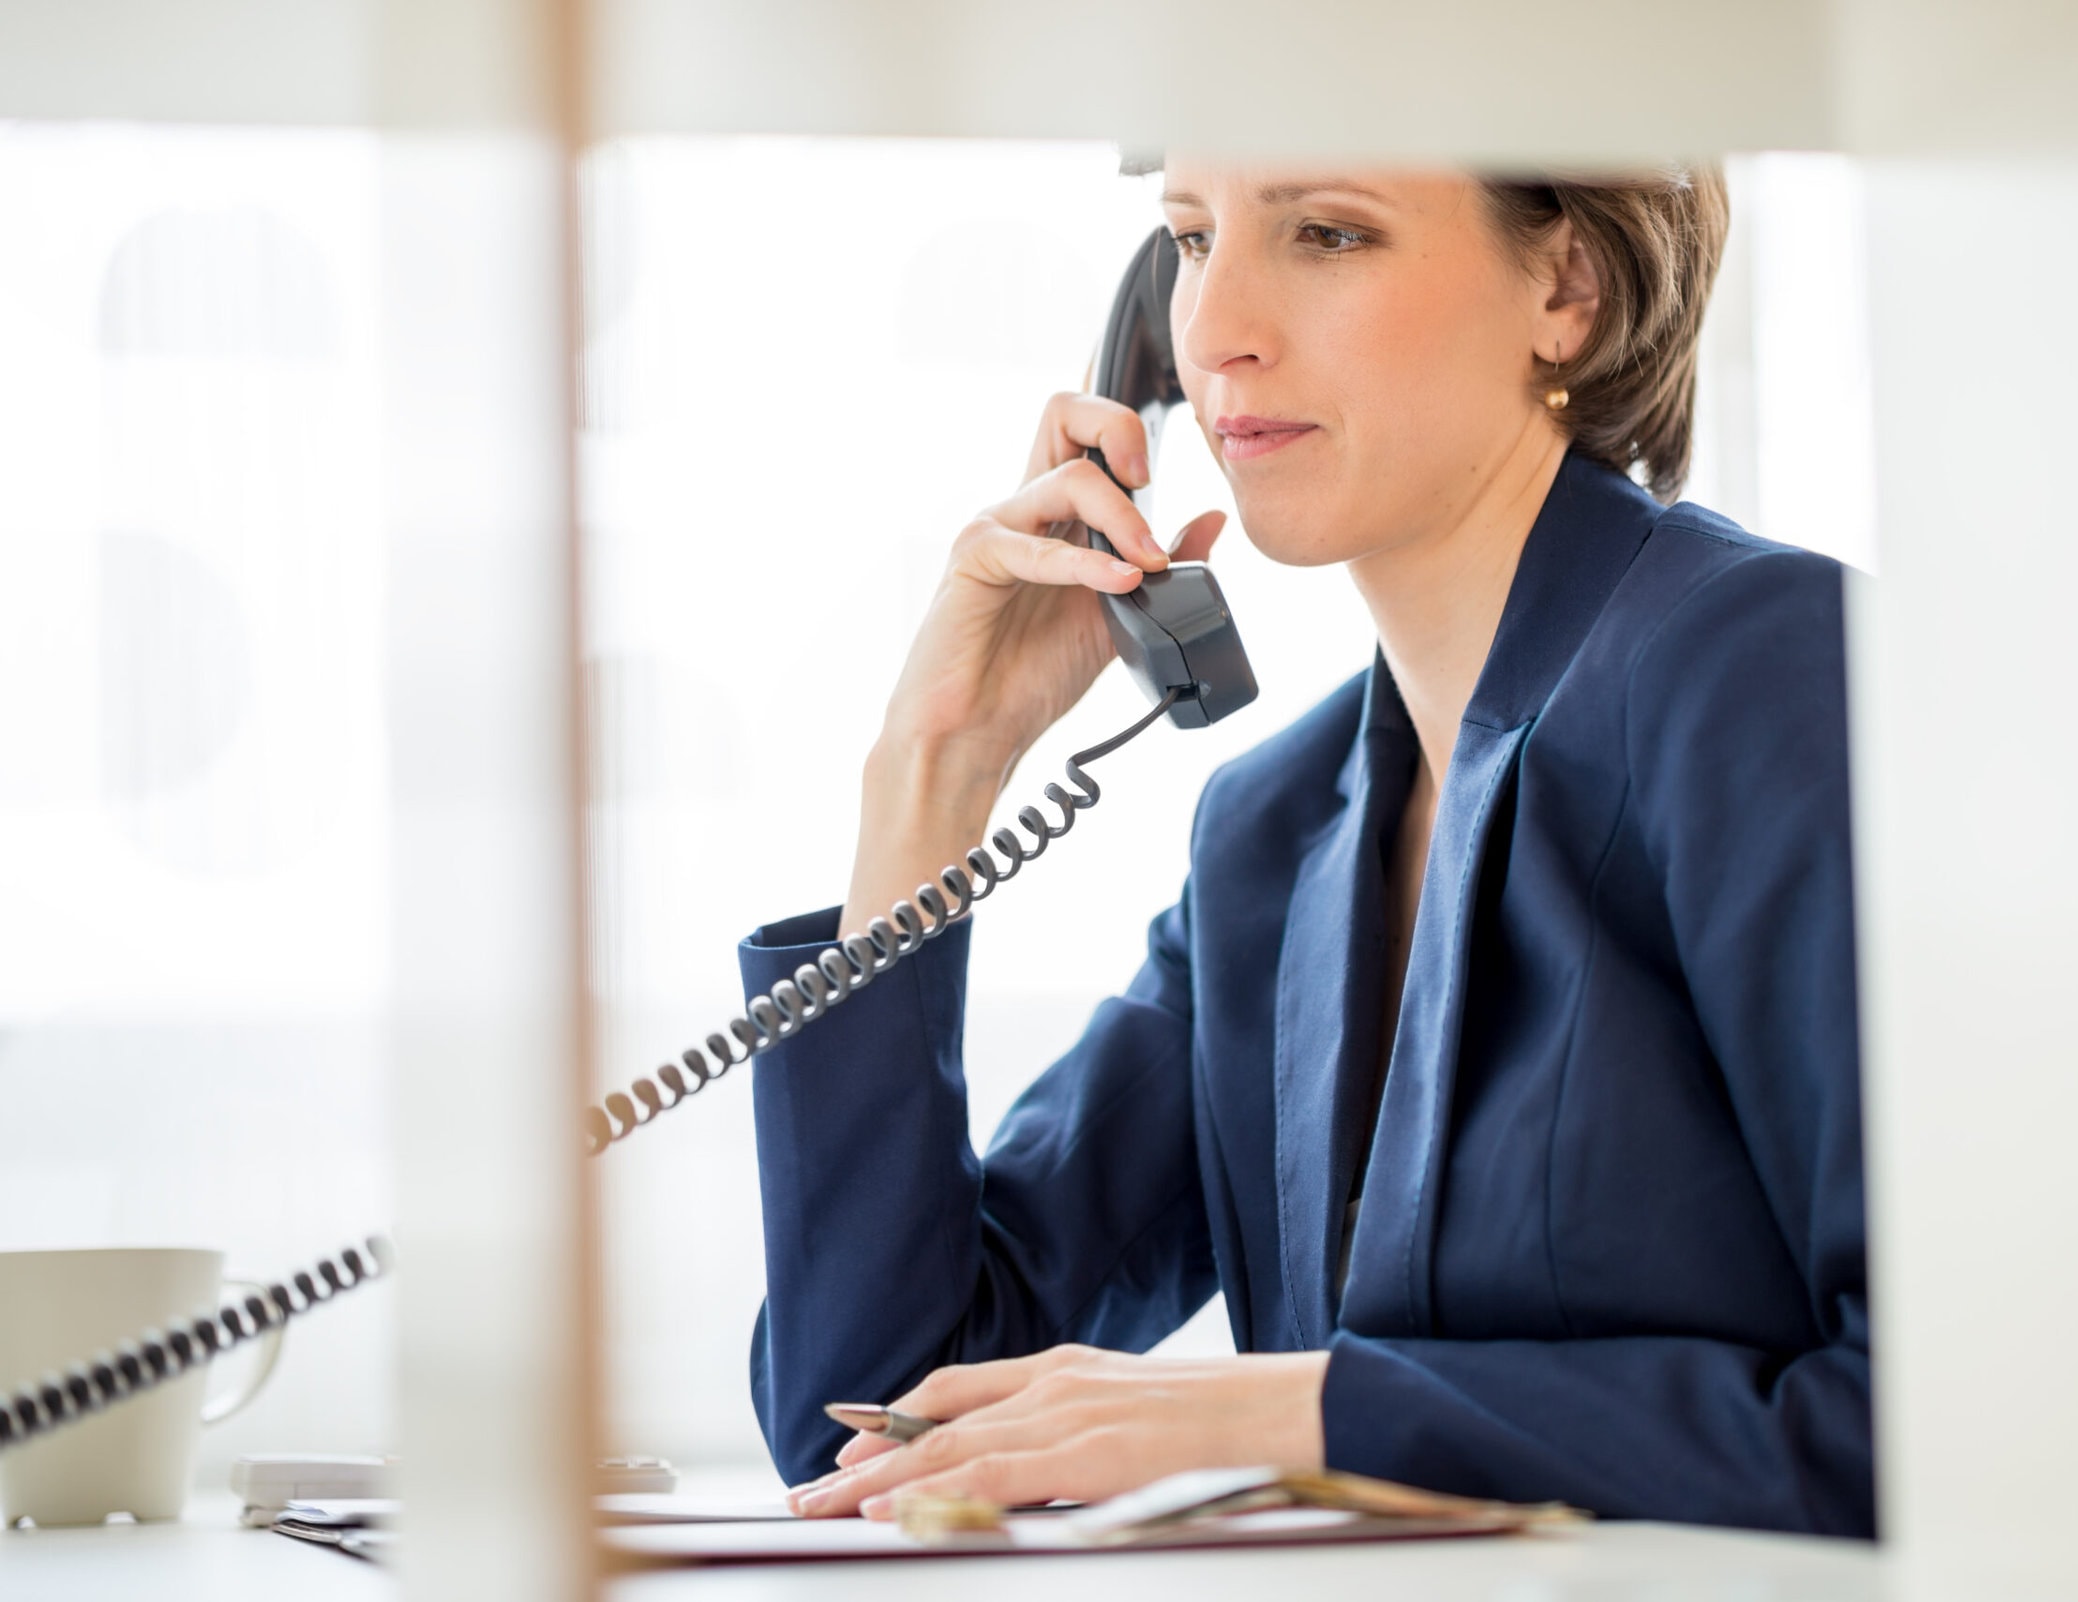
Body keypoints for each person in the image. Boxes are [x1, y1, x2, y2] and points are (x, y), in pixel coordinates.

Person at [741, 160, 1872, 1537]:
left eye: (1327, 233)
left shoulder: (1765, 673)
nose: (1213, 328)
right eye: (1194, 239)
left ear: (1567, 287)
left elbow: (1948, 1421)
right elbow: (873, 1422)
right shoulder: (1271, 837)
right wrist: (937, 764)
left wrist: (1295, 1409)